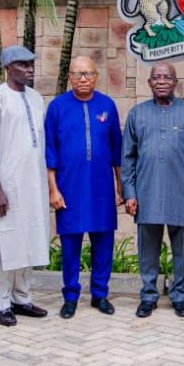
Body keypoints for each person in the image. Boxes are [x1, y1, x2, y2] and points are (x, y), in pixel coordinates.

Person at [121, 62, 184, 319]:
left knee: (182, 249)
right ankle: (149, 296)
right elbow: (128, 158)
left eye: (167, 77)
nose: (161, 81)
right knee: (148, 249)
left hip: (181, 191)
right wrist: (129, 193)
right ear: (149, 83)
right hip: (146, 192)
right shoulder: (137, 114)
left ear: (175, 82)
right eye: (156, 77)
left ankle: (180, 296)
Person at [45, 56, 123, 319]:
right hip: (69, 188)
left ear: (96, 76)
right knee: (70, 245)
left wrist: (120, 185)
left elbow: (116, 149)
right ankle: (70, 296)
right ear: (69, 76)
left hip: (101, 187)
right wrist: (53, 190)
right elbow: (50, 151)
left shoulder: (107, 105)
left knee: (104, 242)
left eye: (88, 73)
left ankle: (100, 294)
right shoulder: (57, 107)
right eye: (77, 74)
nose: (83, 79)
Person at [0, 46, 50, 326]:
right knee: (5, 242)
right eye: (23, 65)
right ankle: (0, 303)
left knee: (29, 239)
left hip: (34, 182)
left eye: (31, 64)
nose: (30, 69)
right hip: (6, 185)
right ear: (8, 68)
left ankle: (21, 298)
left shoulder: (36, 98)